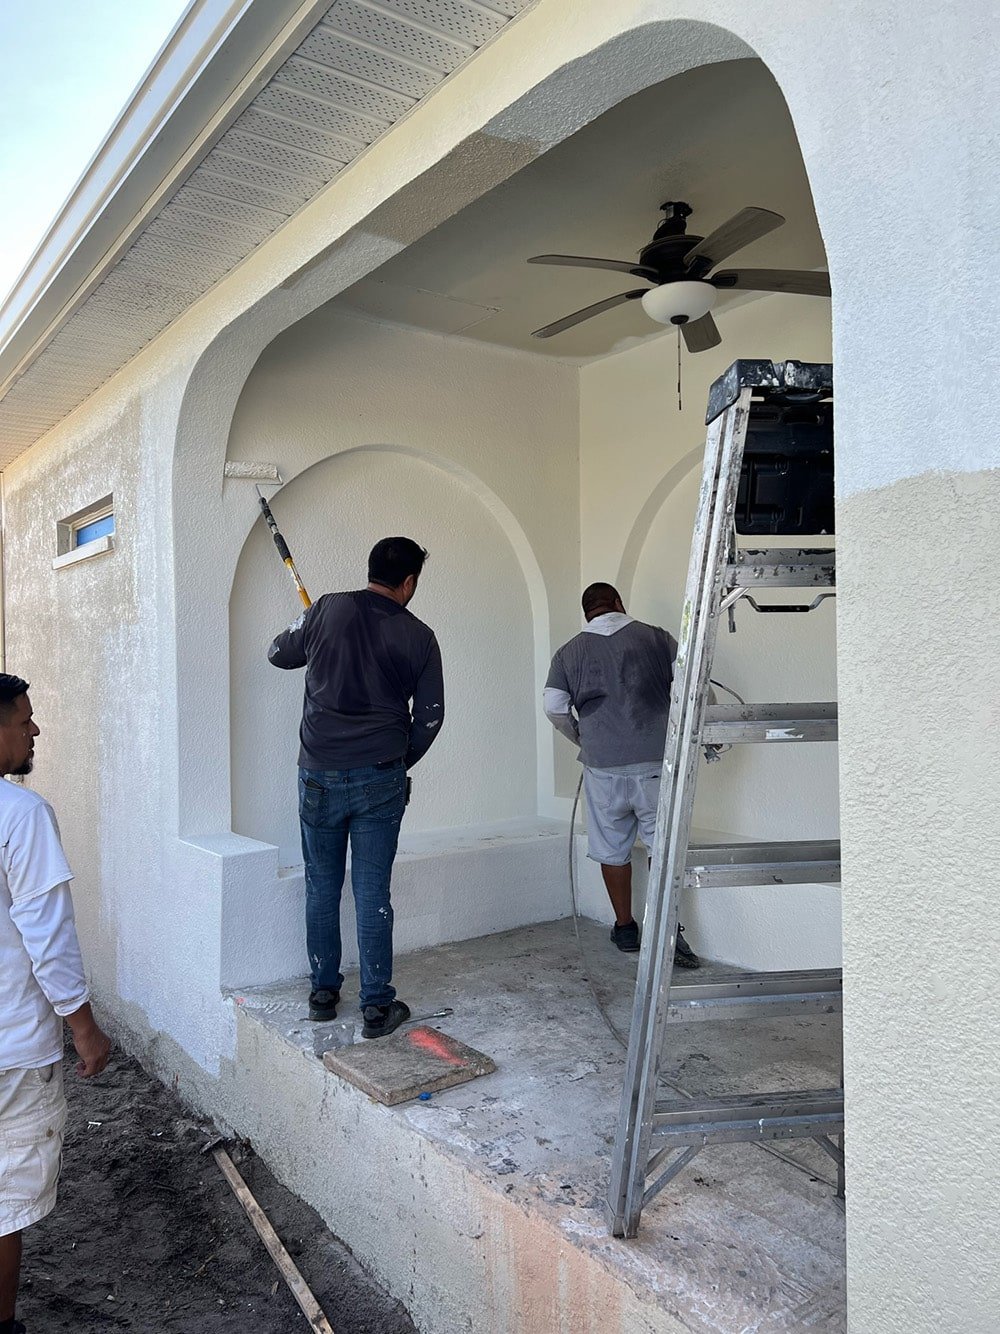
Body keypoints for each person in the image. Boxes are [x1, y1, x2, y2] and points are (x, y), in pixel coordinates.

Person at [268, 537, 444, 1039]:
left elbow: (278, 653)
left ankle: (323, 993)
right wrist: (397, 760)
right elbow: (430, 717)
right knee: (372, 892)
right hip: (381, 776)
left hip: (318, 773)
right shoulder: (420, 636)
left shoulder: (327, 609)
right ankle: (375, 1007)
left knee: (321, 884)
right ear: (408, 583)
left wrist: (308, 629)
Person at [0, 675, 111, 1334]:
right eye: (24, 720)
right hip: (12, 1046)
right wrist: (86, 1029)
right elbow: (48, 937)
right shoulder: (21, 815)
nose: (34, 731)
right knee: (5, 1200)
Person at [543, 583, 700, 967]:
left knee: (612, 846)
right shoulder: (656, 638)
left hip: (602, 767)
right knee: (660, 847)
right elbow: (692, 687)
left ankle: (625, 927)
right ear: (618, 604)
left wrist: (581, 735)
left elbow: (553, 706)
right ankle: (666, 931)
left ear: (587, 613)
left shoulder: (568, 652)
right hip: (654, 763)